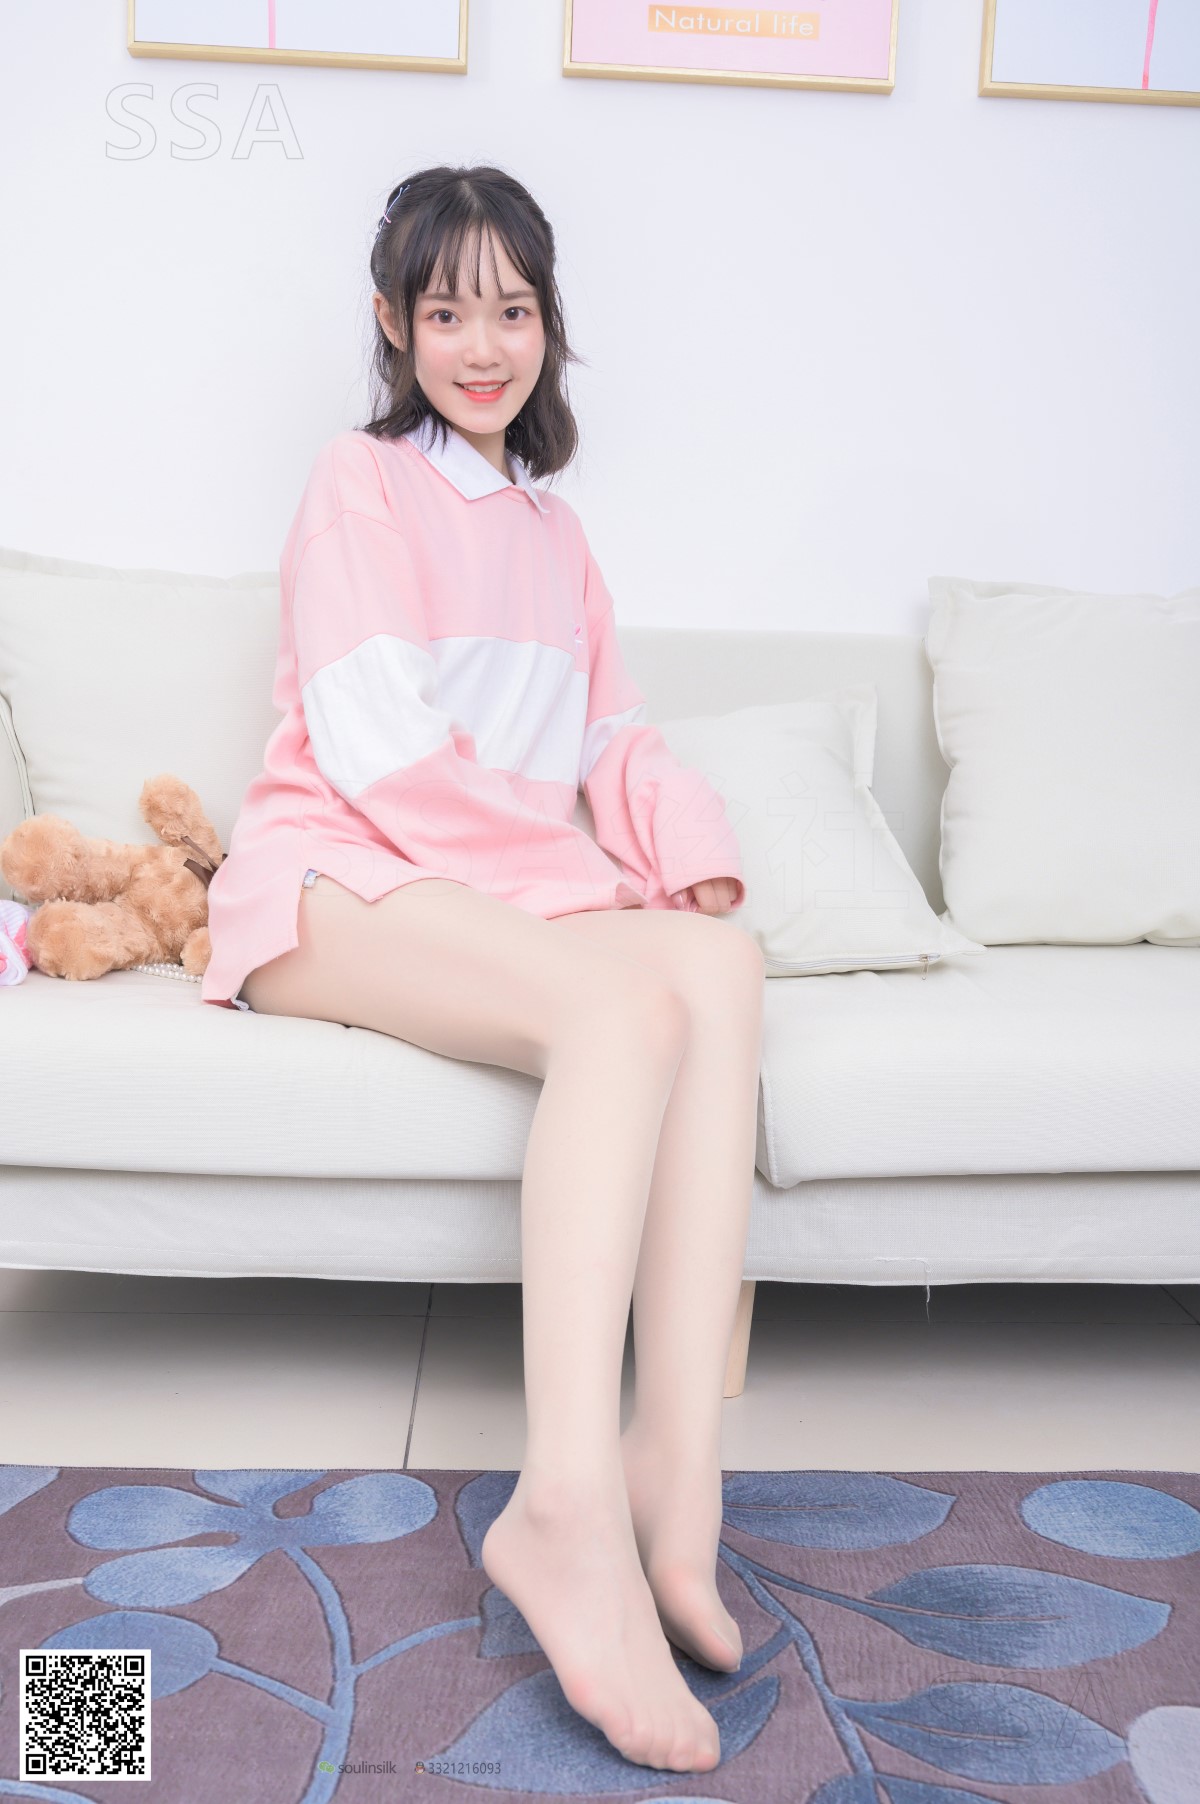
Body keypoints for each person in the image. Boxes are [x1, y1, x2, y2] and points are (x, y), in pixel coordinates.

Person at [203, 164, 765, 1775]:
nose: (482, 344)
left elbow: (610, 738)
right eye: (446, 311)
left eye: (512, 310)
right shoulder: (359, 483)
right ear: (392, 324)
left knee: (716, 969)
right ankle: (564, 1509)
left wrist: (682, 855)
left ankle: (675, 1474)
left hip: (467, 884)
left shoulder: (555, 535)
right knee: (618, 1004)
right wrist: (572, 891)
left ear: (547, 327)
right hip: (332, 876)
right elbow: (376, 746)